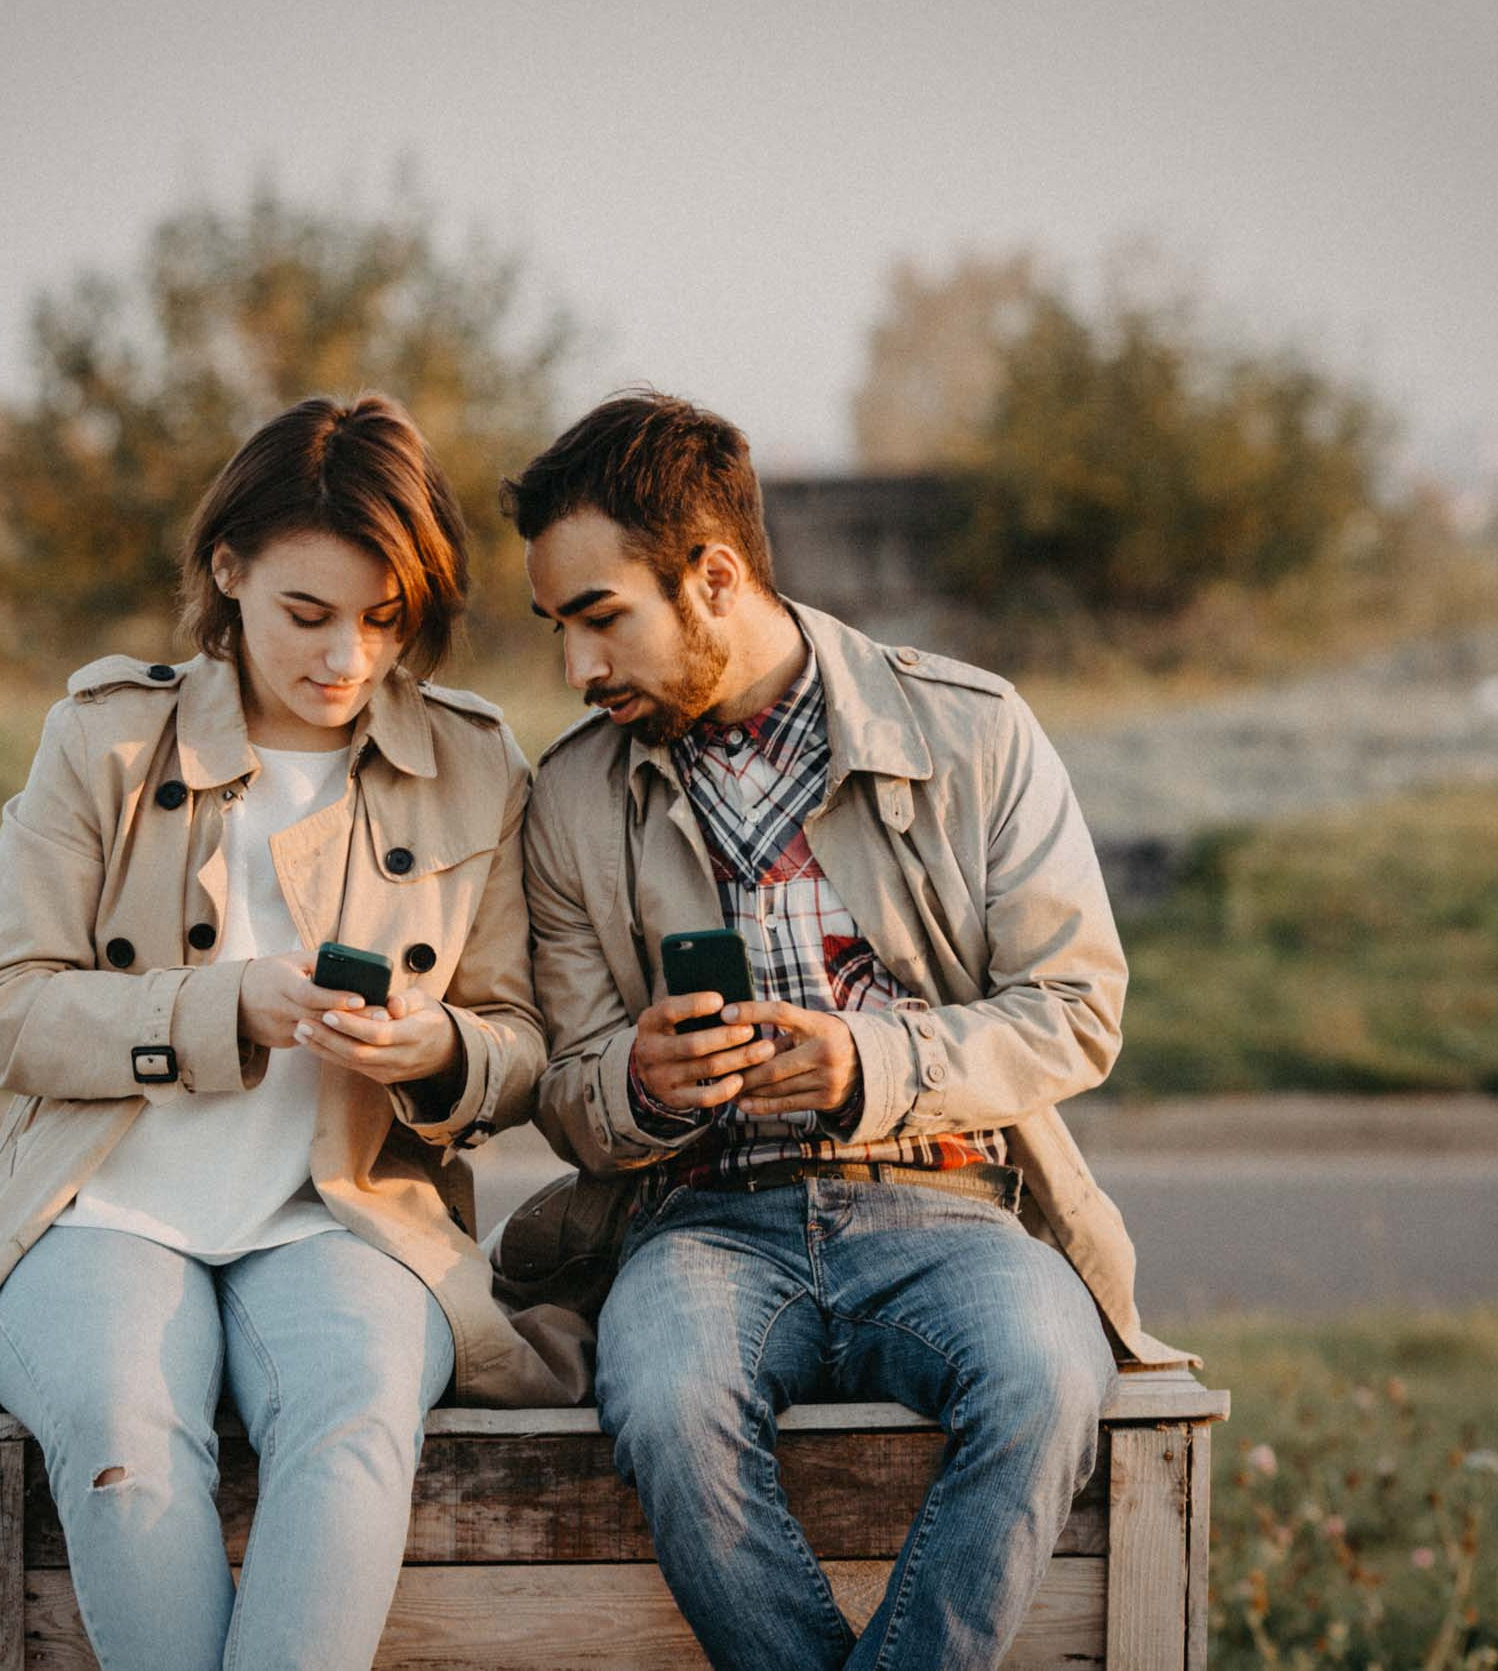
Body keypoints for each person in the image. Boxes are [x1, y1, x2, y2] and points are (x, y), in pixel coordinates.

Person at [0, 394, 585, 1666]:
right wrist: (223, 1005)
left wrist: (442, 1052)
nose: (345, 657)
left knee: (354, 1425)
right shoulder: (105, 739)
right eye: (308, 614)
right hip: (97, 1208)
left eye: (384, 619)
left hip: (347, 1211)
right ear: (227, 571)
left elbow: (522, 1038)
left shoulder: (477, 762)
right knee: (127, 1439)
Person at [507, 391, 1198, 1671]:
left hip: (952, 1203)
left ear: (713, 577)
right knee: (659, 1400)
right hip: (696, 1219)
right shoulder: (567, 796)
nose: (576, 669)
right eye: (557, 627)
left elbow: (1076, 1010)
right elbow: (561, 1080)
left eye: (602, 619)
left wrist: (868, 1065)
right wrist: (641, 1084)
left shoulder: (972, 728)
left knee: (1048, 1383)